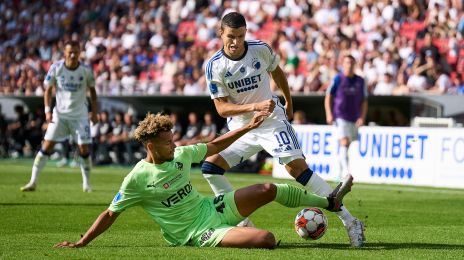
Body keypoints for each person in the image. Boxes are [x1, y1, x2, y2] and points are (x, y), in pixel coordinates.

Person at [54, 112, 353, 249]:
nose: (173, 146)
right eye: (167, 143)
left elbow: (215, 145)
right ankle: (239, 232)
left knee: (268, 188)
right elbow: (110, 213)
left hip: (213, 208)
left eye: (173, 141)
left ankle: (329, 201)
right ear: (150, 145)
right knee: (266, 240)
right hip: (198, 233)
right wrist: (82, 243)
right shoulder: (136, 179)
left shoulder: (181, 154)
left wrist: (248, 127)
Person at [202, 12, 365, 247]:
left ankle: (351, 222)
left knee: (296, 169)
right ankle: (242, 223)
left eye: (240, 36)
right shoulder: (215, 66)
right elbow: (222, 109)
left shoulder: (260, 49)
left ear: (246, 32)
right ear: (221, 34)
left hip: (271, 122)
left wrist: (289, 102)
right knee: (210, 167)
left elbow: (278, 72)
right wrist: (254, 106)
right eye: (230, 37)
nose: (235, 42)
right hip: (242, 127)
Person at [21, 41, 98, 192]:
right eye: (70, 52)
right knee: (47, 145)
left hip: (80, 116)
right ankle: (33, 182)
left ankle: (86, 183)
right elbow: (48, 90)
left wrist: (94, 112)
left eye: (76, 52)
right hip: (60, 115)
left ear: (79, 53)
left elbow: (93, 92)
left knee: (84, 148)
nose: (73, 55)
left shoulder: (86, 70)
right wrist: (47, 111)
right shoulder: (56, 68)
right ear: (65, 53)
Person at [324, 54, 368, 180]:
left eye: (352, 63)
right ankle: (346, 173)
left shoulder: (360, 81)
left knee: (346, 145)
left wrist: (362, 117)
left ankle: (338, 173)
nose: (350, 65)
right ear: (343, 64)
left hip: (354, 117)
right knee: (344, 141)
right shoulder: (338, 78)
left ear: (355, 64)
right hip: (340, 115)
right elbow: (328, 96)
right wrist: (329, 113)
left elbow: (364, 100)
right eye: (347, 62)